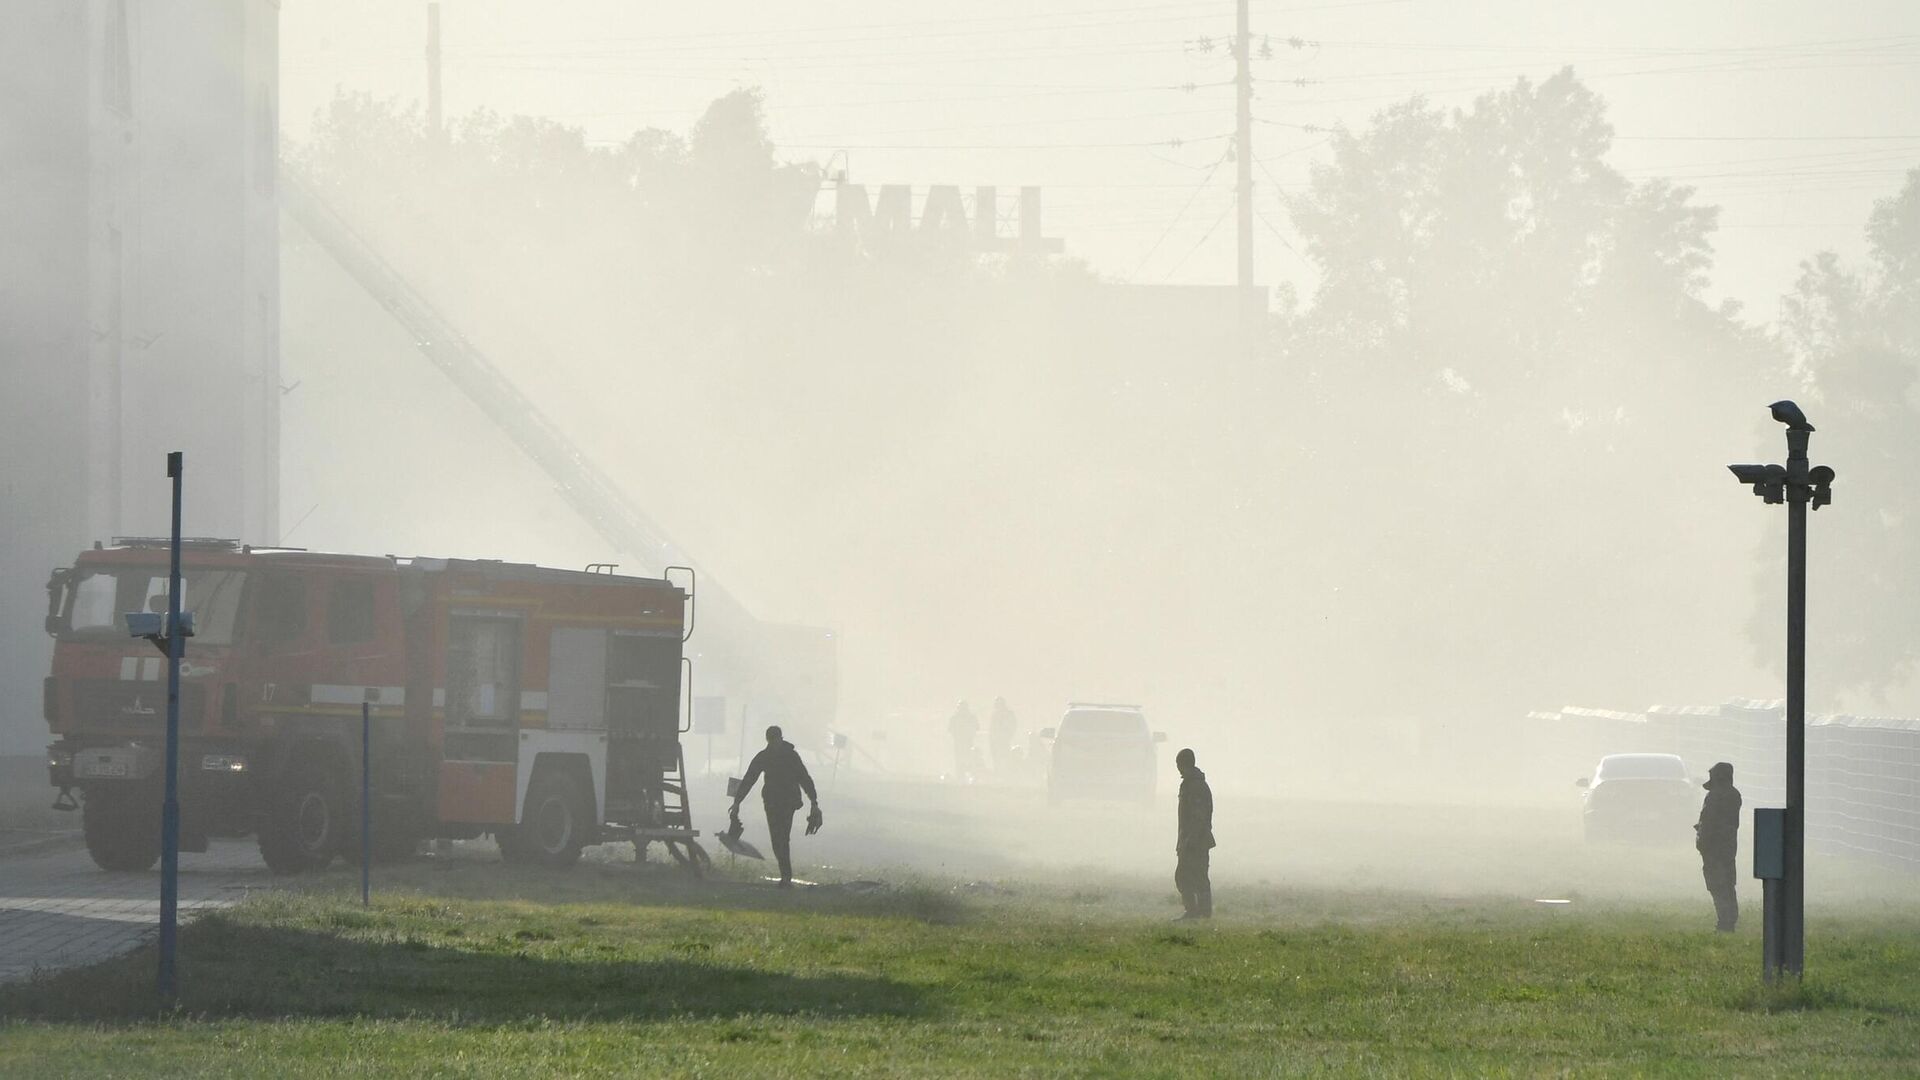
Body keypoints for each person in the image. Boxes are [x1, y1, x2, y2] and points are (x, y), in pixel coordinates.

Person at [731, 725, 821, 888]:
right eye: (771, 740)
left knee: (782, 838)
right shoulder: (764, 756)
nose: (774, 743)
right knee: (776, 840)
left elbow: (804, 778)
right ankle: (785, 875)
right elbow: (749, 779)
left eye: (775, 740)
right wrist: (737, 801)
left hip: (788, 802)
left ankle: (786, 877)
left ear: (780, 738)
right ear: (769, 740)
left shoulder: (791, 756)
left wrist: (814, 801)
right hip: (772, 802)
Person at [1695, 760, 1742, 932]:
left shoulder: (1715, 796)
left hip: (1714, 849)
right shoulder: (1734, 795)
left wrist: (1701, 840)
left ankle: (1725, 922)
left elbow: (1709, 822)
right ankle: (1729, 921)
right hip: (1728, 847)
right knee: (1728, 884)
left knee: (1717, 884)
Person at [1174, 747, 1214, 920]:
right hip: (1191, 840)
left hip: (1195, 841)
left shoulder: (1195, 786)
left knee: (1190, 876)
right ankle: (1200, 912)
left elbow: (1199, 817)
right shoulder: (1192, 784)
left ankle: (1196, 912)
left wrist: (1189, 840)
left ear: (1183, 764)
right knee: (1192, 876)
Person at [947, 700, 979, 780]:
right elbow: (950, 729)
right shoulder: (955, 718)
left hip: (967, 742)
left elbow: (976, 727)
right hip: (959, 742)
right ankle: (960, 776)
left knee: (967, 759)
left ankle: (966, 776)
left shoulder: (970, 717)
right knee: (960, 759)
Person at [989, 697, 1017, 773]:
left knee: (1005, 759)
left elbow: (1012, 727)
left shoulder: (1009, 714)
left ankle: (1006, 775)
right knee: (996, 760)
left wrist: (1007, 737)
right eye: (997, 705)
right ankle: (998, 774)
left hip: (1004, 741)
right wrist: (992, 740)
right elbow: (992, 729)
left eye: (1000, 704)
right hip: (995, 742)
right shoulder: (994, 715)